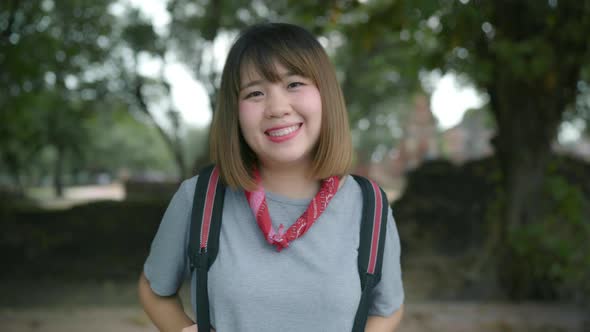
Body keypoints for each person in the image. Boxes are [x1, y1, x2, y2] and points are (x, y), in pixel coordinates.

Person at [138, 22, 404, 332]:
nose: (277, 108)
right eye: (255, 93)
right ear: (234, 112)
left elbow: (387, 310)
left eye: (294, 84)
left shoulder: (370, 206)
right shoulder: (199, 198)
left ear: (326, 95)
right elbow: (154, 289)